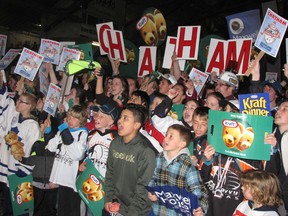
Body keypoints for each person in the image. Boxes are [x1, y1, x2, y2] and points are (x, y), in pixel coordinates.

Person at [104, 104, 157, 215]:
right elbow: (110, 174)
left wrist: (130, 213)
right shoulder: (115, 143)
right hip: (115, 205)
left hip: (135, 211)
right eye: (120, 117)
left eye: (125, 119)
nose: (119, 121)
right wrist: (108, 199)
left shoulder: (145, 151)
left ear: (136, 125)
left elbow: (144, 188)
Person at [148, 124, 208, 216]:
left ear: (182, 144)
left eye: (171, 137)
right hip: (158, 211)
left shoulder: (187, 164)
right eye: (166, 135)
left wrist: (200, 208)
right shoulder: (159, 157)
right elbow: (153, 178)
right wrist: (152, 191)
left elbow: (198, 189)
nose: (165, 139)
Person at [46, 105, 88, 216]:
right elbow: (51, 147)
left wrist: (64, 130)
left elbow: (77, 154)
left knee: (73, 210)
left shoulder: (82, 134)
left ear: (81, 120)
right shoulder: (63, 129)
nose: (70, 120)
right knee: (61, 210)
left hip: (72, 180)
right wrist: (48, 131)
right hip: (61, 178)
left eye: (75, 118)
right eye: (69, 116)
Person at [20, 112, 57, 216]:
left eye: (43, 124)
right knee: (36, 208)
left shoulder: (55, 142)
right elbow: (32, 159)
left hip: (52, 183)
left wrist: (48, 129)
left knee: (51, 209)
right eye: (41, 124)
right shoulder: (37, 143)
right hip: (37, 182)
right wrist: (21, 159)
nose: (41, 126)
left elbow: (50, 143)